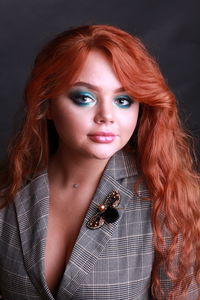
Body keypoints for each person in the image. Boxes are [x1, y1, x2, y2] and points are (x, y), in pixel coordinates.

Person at [0, 24, 199, 300]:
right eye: (84, 98)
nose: (107, 115)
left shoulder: (165, 199)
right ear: (46, 104)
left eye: (123, 100)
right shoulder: (8, 190)